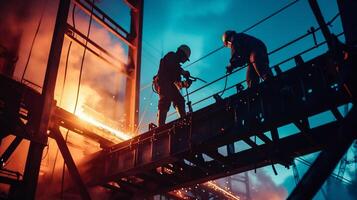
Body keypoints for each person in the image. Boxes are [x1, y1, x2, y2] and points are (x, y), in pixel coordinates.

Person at [154, 44, 192, 126]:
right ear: (182, 54)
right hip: (162, 82)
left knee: (180, 100)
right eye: (185, 58)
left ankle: (184, 120)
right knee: (166, 98)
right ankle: (160, 126)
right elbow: (172, 65)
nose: (185, 60)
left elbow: (177, 84)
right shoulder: (171, 55)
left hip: (169, 85)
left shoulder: (177, 66)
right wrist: (183, 72)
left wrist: (185, 84)